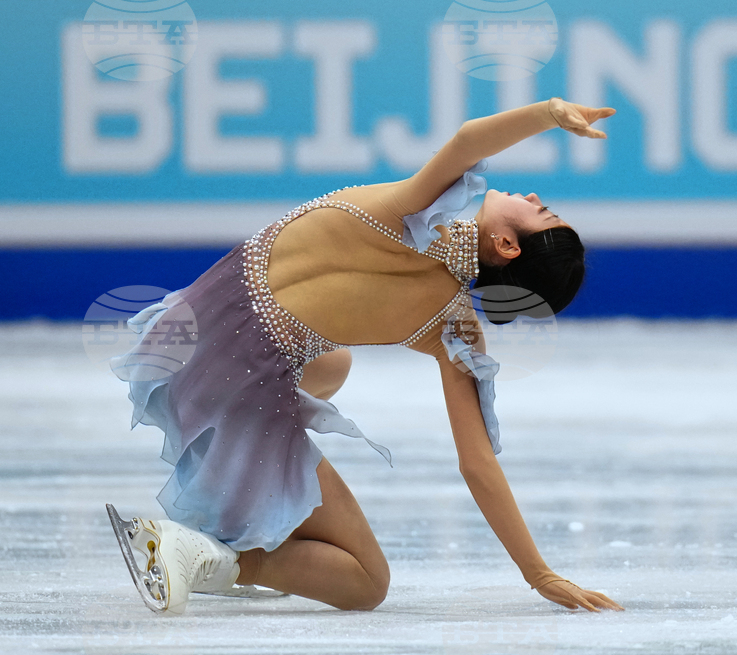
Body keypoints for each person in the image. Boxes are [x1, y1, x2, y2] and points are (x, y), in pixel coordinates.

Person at [106, 97, 625, 615]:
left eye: (541, 211)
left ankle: (236, 505)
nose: (533, 195)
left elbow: (470, 139)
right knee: (366, 582)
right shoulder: (454, 328)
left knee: (333, 363)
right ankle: (214, 557)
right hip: (231, 380)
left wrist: (548, 114)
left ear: (509, 246)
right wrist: (538, 573)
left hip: (191, 328)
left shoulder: (412, 208)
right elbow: (478, 463)